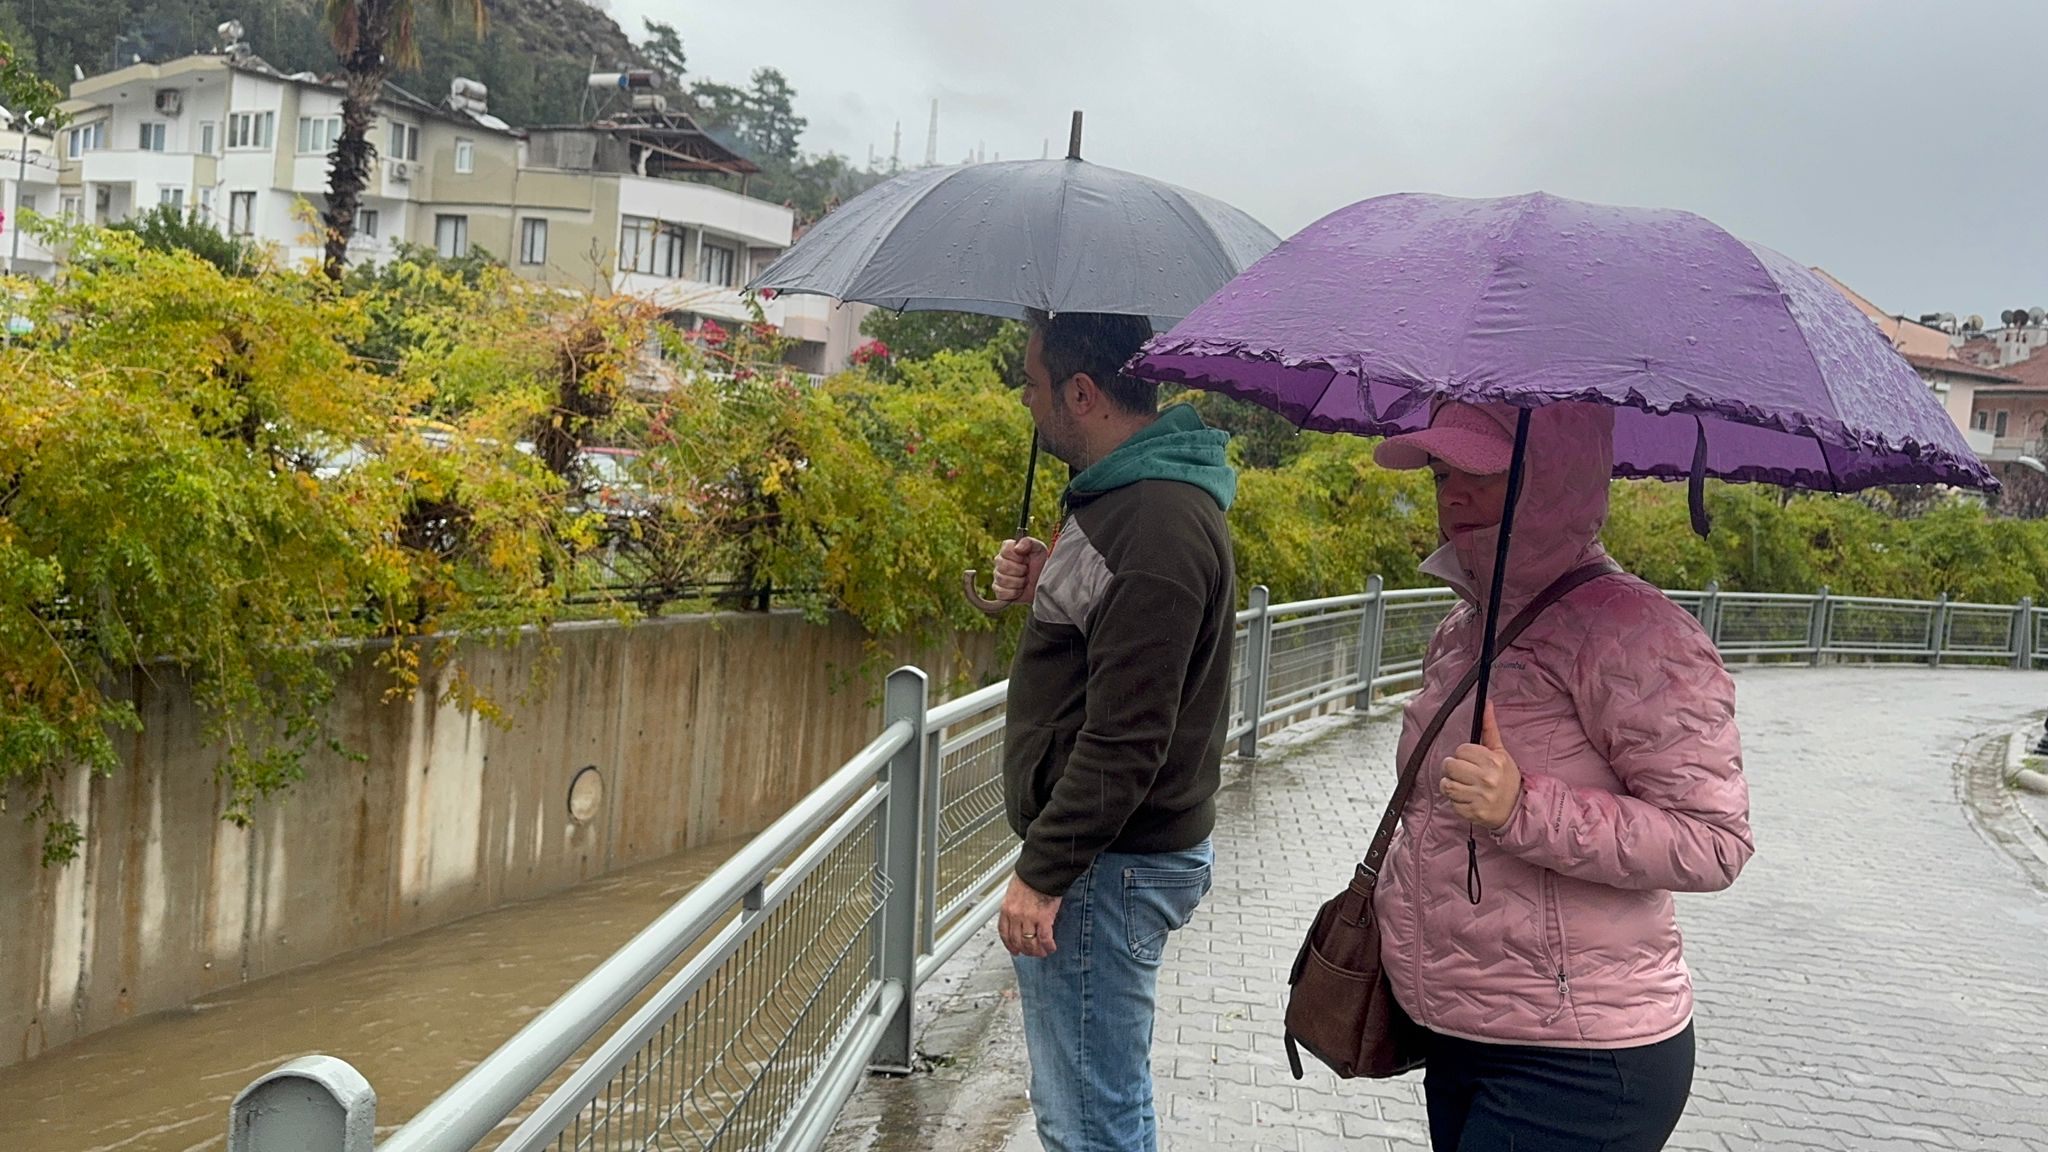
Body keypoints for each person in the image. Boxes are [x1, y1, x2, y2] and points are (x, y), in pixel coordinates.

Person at [1370, 399, 1754, 1152]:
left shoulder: (1636, 631)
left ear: (1554, 477)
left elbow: (1715, 841)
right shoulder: (1464, 627)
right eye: (1443, 473)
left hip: (1576, 1058)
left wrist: (1523, 809)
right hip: (1462, 1029)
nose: (1452, 494)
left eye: (1482, 472)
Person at [989, 309, 1237, 1152]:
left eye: (1031, 383)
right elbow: (1107, 651)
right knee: (1094, 1101)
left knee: (1089, 1119)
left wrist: (1044, 870)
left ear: (1082, 392)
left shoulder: (1155, 523)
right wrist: (1031, 587)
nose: (1026, 400)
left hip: (1105, 865)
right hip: (1110, 859)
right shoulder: (1129, 503)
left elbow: (1130, 736)